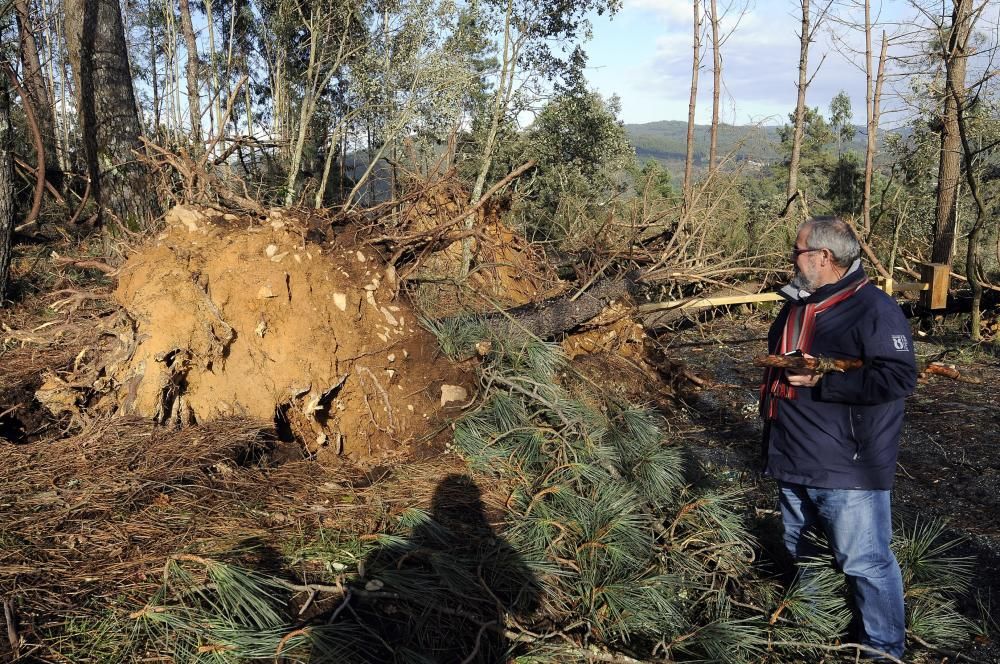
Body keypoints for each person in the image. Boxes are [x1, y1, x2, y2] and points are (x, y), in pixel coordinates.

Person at [760, 216, 916, 660]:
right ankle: (812, 633)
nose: (792, 257)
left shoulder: (874, 310)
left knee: (864, 562)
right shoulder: (799, 303)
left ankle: (884, 650)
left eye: (797, 250)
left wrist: (823, 383)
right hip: (791, 454)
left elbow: (898, 379)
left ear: (823, 257)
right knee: (803, 553)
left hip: (847, 466)